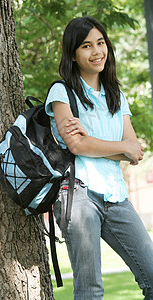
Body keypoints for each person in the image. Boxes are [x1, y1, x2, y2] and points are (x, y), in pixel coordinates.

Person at [45, 16, 153, 300]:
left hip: (116, 196)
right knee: (90, 289)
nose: (96, 52)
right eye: (86, 46)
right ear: (73, 54)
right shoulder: (62, 92)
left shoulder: (117, 95)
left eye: (101, 43)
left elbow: (135, 151)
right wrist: (118, 147)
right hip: (78, 194)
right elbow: (76, 146)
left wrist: (91, 139)